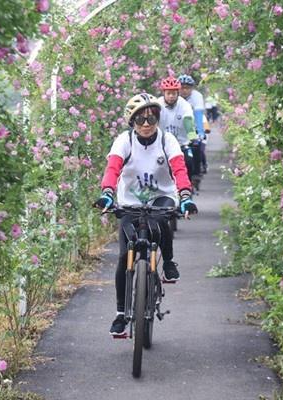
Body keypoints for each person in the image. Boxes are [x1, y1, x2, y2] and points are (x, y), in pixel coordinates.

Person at [93, 93, 198, 336]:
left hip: (161, 196)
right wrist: (107, 193)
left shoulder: (167, 140)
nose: (147, 124)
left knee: (161, 223)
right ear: (132, 122)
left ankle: (168, 262)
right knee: (122, 256)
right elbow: (112, 169)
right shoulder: (124, 141)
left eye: (152, 118)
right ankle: (121, 314)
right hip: (129, 201)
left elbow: (179, 169)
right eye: (140, 119)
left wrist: (185, 196)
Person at [157, 76, 199, 184]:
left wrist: (192, 136)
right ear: (164, 93)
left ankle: (187, 191)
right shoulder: (157, 105)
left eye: (174, 93)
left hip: (181, 143)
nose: (171, 96)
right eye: (168, 93)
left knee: (188, 162)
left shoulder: (185, 105)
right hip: (162, 144)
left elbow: (188, 121)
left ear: (178, 93)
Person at [178, 74, 206, 184]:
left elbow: (198, 116)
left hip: (192, 127)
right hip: (178, 128)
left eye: (187, 88)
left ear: (192, 89)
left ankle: (196, 172)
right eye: (182, 88)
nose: (184, 90)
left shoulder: (196, 97)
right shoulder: (174, 97)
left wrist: (200, 132)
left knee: (197, 146)